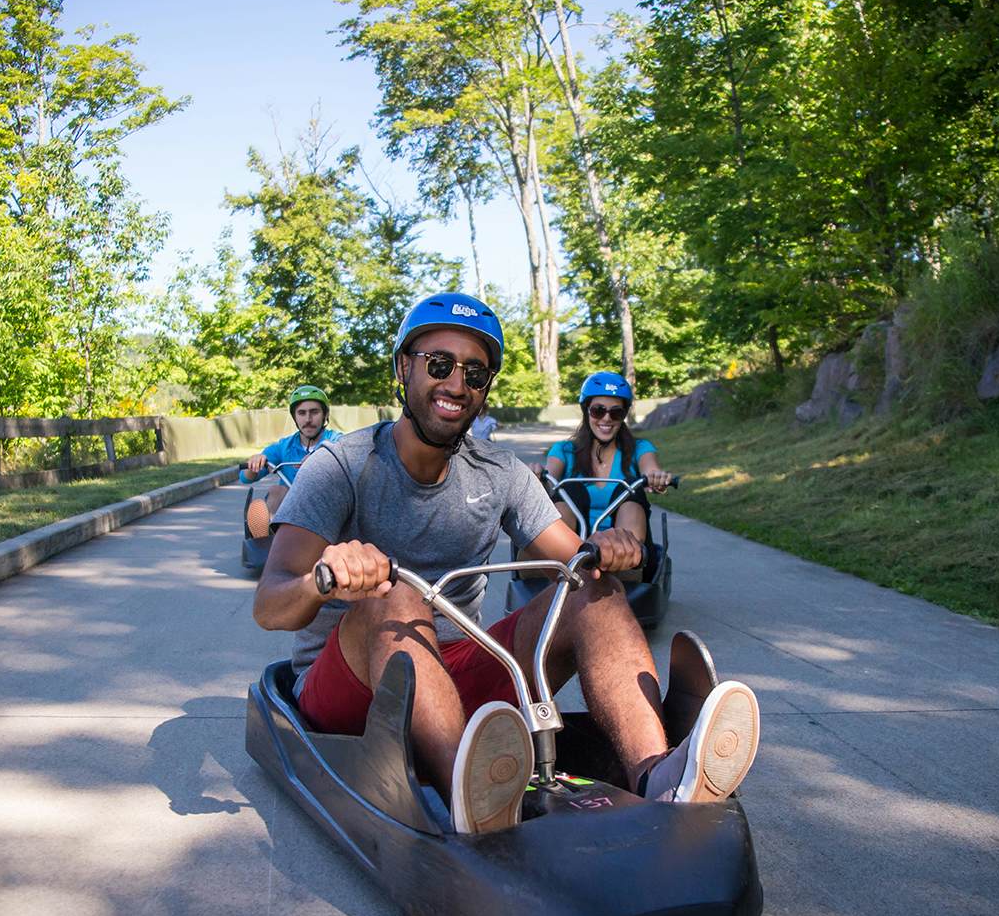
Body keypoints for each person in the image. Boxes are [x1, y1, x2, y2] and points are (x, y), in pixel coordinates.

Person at [252, 292, 761, 835]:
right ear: (403, 367)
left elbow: (573, 559)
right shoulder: (340, 466)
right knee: (396, 595)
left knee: (594, 591)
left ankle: (659, 776)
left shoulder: (499, 473)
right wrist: (325, 578)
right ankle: (470, 795)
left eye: (475, 373)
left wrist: (609, 551)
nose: (456, 385)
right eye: (439, 365)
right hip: (347, 694)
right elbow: (271, 605)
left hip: (454, 684)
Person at [533, 372, 673, 547]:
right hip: (572, 543)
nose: (606, 418)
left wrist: (655, 477)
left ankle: (626, 557)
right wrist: (538, 477)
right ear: (586, 411)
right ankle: (561, 552)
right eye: (598, 411)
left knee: (630, 488)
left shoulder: (640, 448)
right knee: (569, 488)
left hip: (622, 545)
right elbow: (549, 477)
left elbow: (650, 467)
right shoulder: (564, 450)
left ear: (624, 415)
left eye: (616, 413)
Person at [241, 385, 341, 538]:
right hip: (289, 508)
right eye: (302, 413)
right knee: (276, 490)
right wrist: (254, 462)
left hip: (325, 504)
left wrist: (322, 458)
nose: (308, 419)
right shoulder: (284, 446)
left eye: (314, 412)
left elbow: (349, 459)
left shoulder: (337, 440)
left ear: (325, 415)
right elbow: (245, 478)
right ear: (295, 417)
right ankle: (268, 536)